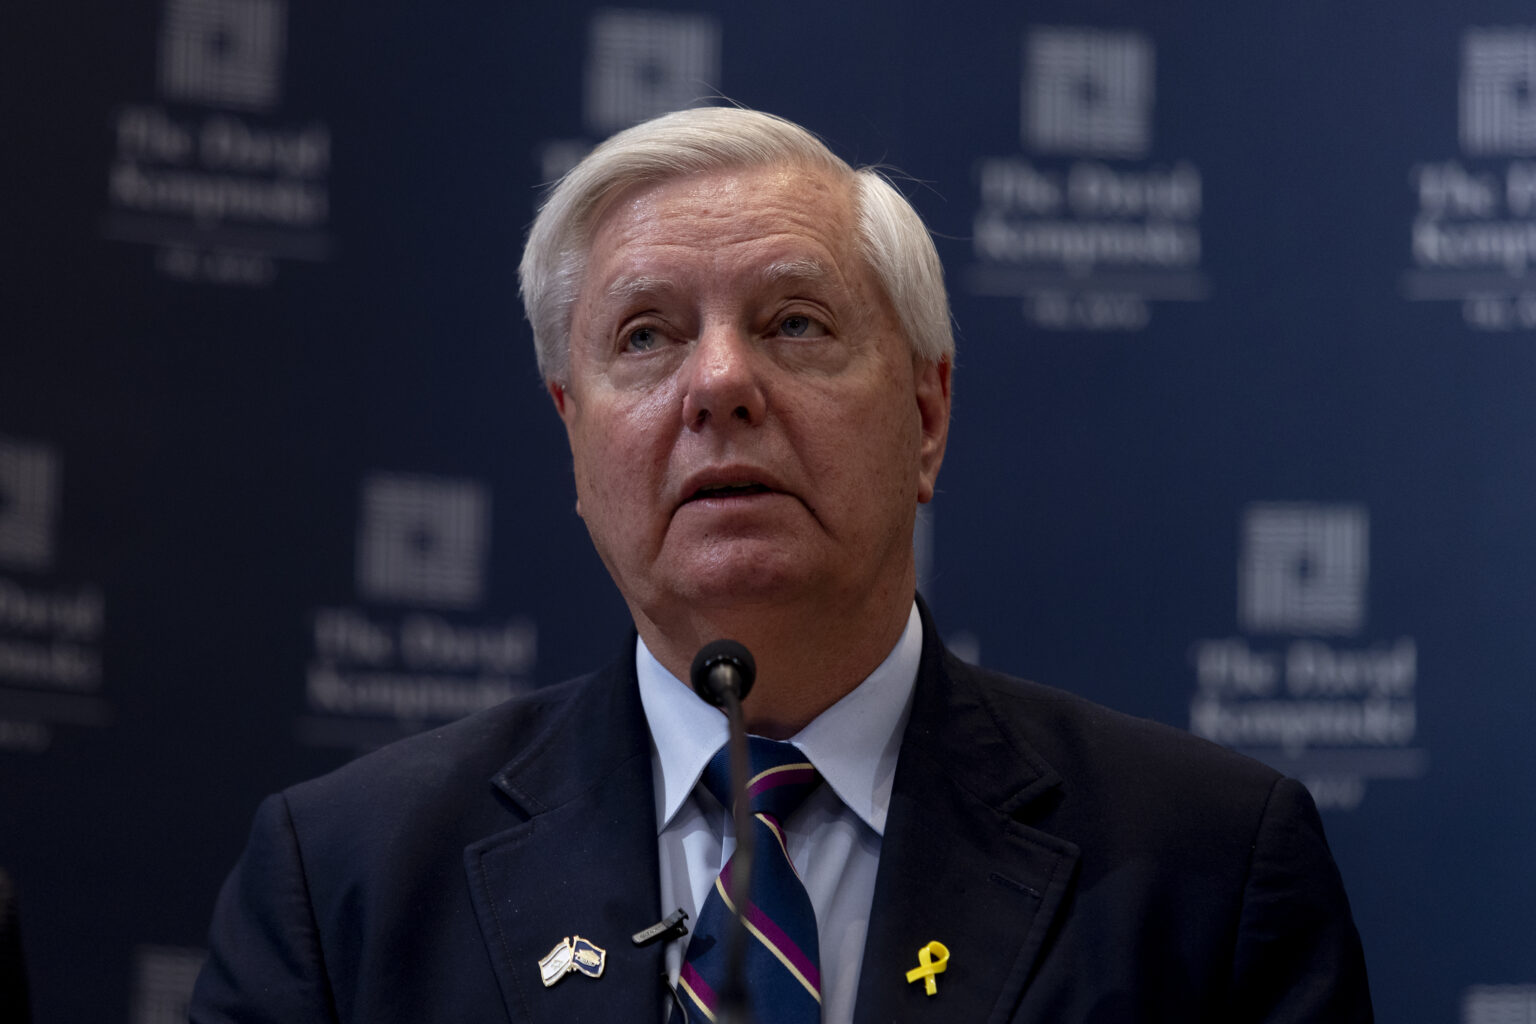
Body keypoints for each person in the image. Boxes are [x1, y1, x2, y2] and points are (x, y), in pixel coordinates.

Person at [190, 107, 1372, 1023]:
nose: (718, 385)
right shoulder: (345, 882)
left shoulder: (1208, 871)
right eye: (645, 336)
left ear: (926, 415)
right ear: (573, 432)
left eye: (794, 323)